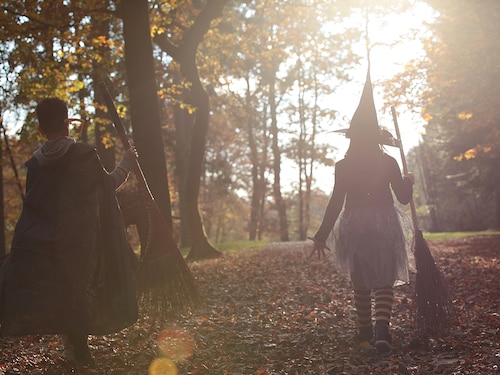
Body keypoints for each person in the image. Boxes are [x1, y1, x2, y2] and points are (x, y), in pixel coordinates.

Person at [0, 97, 139, 366]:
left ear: (40, 130)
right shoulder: (85, 155)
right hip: (79, 238)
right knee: (76, 291)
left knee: (61, 290)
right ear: (68, 122)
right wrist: (126, 163)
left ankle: (76, 349)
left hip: (43, 240)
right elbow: (107, 185)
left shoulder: (35, 165)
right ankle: (81, 353)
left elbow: (35, 206)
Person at [310, 72, 414, 357]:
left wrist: (321, 235)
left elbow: (335, 202)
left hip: (354, 224)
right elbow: (403, 199)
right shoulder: (388, 161)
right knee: (384, 277)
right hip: (383, 222)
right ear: (377, 136)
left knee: (361, 279)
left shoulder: (343, 165)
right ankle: (383, 330)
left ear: (352, 137)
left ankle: (365, 332)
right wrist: (409, 182)